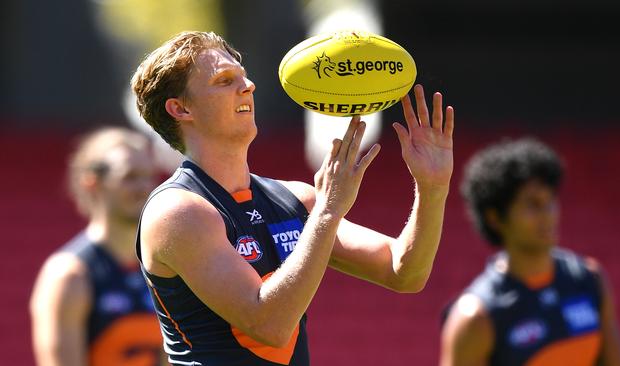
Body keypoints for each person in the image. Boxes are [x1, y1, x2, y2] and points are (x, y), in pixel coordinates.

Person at [130, 31, 454, 365]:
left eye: (244, 77)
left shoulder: (295, 199)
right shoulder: (178, 211)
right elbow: (269, 325)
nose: (248, 86)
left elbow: (404, 273)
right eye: (224, 80)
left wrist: (432, 188)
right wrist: (327, 213)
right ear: (180, 108)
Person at [440, 138, 620, 366]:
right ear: (495, 218)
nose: (548, 214)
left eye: (550, 200)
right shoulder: (476, 317)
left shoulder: (588, 280)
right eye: (532, 204)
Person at [30, 127, 165, 366]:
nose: (144, 187)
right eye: (130, 177)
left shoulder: (162, 266)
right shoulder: (69, 275)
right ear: (93, 182)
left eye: (148, 176)